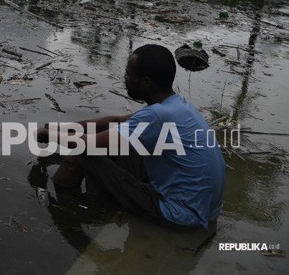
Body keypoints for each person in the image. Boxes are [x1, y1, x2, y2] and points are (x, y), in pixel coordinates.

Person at [36, 44, 225, 228]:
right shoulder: (176, 104)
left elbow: (86, 144)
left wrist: (49, 135)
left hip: (180, 213)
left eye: (128, 73)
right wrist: (61, 129)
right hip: (204, 208)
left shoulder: (156, 116)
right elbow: (115, 121)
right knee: (117, 145)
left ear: (145, 82)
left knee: (85, 153)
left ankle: (62, 209)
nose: (125, 78)